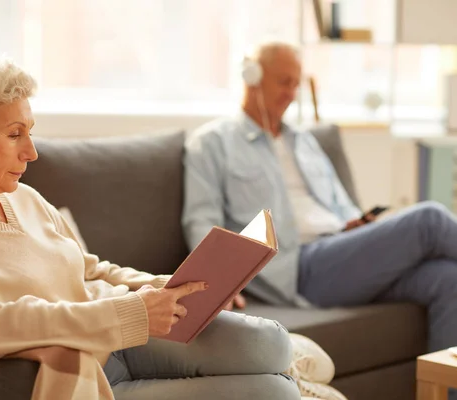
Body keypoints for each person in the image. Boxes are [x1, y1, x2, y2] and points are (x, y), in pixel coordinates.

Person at [0, 53, 300, 400]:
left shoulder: (23, 199)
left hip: (125, 332)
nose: (31, 152)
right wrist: (126, 314)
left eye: (29, 133)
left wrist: (155, 286)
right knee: (275, 391)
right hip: (95, 376)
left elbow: (87, 268)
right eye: (15, 134)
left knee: (272, 344)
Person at [183, 40, 457, 387]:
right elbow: (200, 220)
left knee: (447, 278)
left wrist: (356, 224)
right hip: (301, 268)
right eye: (284, 81)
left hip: (343, 253)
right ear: (252, 78)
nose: (292, 92)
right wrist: (218, 281)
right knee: (428, 220)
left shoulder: (305, 141)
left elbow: (342, 205)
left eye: (297, 83)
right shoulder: (212, 143)